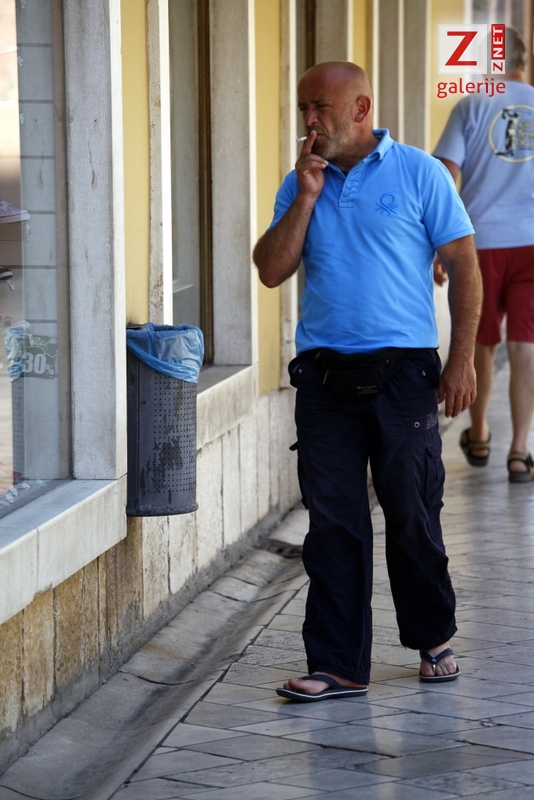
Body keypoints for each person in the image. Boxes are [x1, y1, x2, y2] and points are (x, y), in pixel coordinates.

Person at [253, 61, 482, 701]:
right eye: (303, 108)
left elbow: (465, 266)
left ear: (360, 109)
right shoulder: (300, 182)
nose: (308, 120)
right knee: (333, 522)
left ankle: (433, 640)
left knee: (412, 511)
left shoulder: (420, 173)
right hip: (324, 378)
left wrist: (461, 358)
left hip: (405, 373)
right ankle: (338, 664)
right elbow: (270, 269)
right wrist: (305, 197)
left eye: (319, 107)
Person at [433, 28, 534, 482]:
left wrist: (440, 243)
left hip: (481, 242)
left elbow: (444, 174)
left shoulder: (471, 104)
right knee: (526, 344)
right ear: (522, 61)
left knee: (482, 342)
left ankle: (478, 434)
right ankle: (520, 451)